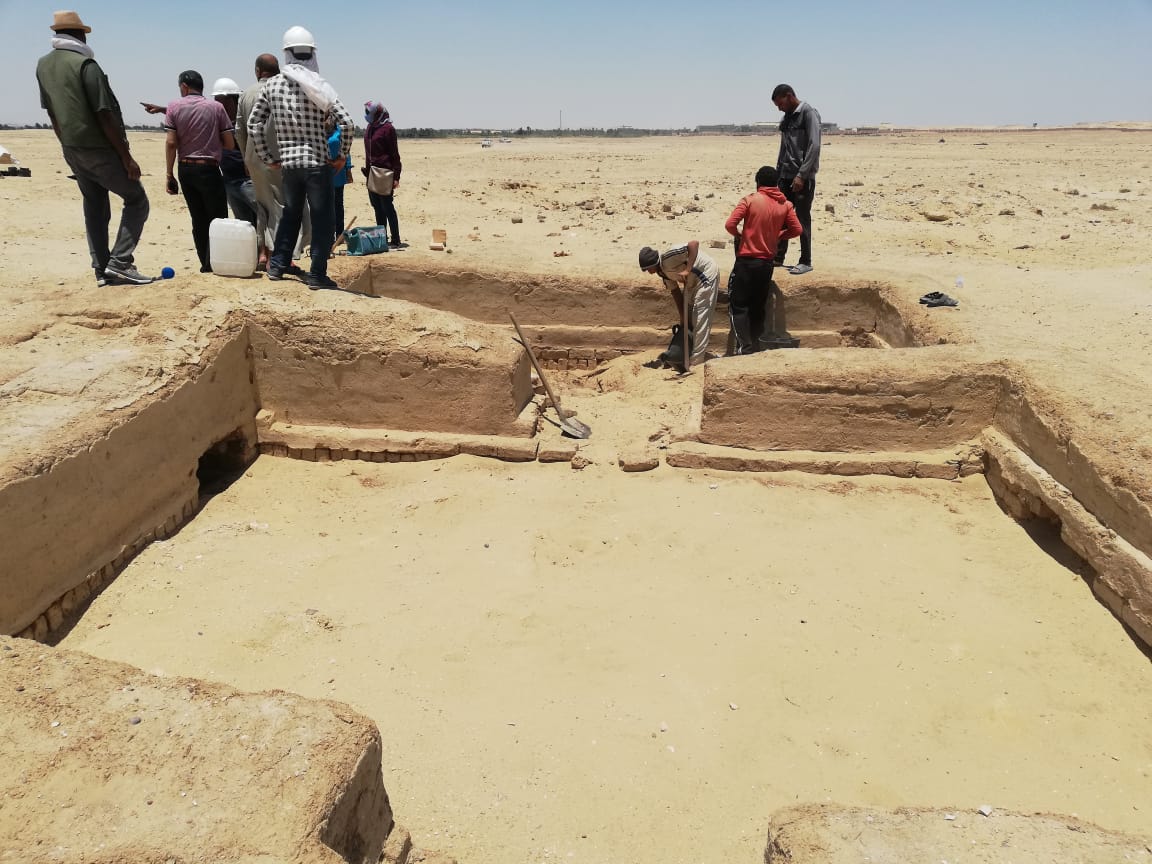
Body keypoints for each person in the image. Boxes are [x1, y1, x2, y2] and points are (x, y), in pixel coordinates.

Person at [35, 10, 154, 286]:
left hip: (71, 147)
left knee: (94, 204)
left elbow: (51, 112)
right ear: (79, 34)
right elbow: (104, 114)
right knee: (136, 199)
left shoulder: (43, 65)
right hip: (98, 148)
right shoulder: (86, 65)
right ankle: (120, 262)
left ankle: (101, 269)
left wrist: (66, 145)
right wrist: (126, 157)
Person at [248, 26, 355, 290]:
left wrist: (267, 156)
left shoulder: (272, 85)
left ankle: (277, 265)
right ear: (312, 54)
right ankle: (317, 274)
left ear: (286, 54)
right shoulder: (318, 86)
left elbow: (254, 124)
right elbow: (347, 123)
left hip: (289, 166)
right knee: (322, 220)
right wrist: (342, 156)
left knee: (290, 215)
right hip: (317, 165)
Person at [235, 53, 311, 270]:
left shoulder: (246, 94)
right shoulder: (283, 90)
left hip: (254, 158)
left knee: (263, 205)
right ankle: (282, 257)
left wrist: (246, 157)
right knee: (282, 206)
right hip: (278, 159)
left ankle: (263, 253)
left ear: (258, 71)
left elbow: (239, 130)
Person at [162, 70, 236, 273]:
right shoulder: (216, 108)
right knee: (217, 218)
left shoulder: (173, 107)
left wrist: (169, 174)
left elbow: (171, 143)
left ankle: (205, 263)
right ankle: (216, 261)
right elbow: (229, 144)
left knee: (198, 218)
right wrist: (212, 141)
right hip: (209, 168)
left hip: (185, 169)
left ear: (184, 87)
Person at [724, 166, 802, 353]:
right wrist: (780, 235)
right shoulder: (785, 205)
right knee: (757, 307)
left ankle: (745, 347)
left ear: (758, 182)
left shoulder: (750, 200)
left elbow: (730, 224)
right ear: (776, 184)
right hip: (767, 264)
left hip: (746, 261)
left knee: (738, 306)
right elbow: (797, 229)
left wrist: (740, 235)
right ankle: (755, 346)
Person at [638, 242, 719, 371]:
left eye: (648, 269)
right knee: (689, 320)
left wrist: (688, 269)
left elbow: (693, 245)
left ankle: (696, 361)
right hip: (692, 283)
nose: (648, 272)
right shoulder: (663, 274)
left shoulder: (668, 257)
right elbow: (675, 292)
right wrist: (682, 317)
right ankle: (686, 355)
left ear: (654, 263)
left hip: (705, 275)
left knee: (700, 318)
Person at [772, 84, 821, 275]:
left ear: (789, 96)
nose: (779, 108)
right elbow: (783, 148)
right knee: (782, 217)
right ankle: (778, 257)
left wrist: (802, 175)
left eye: (781, 104)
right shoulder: (787, 118)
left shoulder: (808, 113)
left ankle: (805, 260)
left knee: (801, 219)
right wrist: (778, 174)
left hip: (802, 178)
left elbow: (814, 146)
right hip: (785, 176)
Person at [211, 77, 258, 227]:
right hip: (230, 182)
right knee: (245, 227)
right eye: (217, 100)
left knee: (265, 220)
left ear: (233, 100)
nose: (219, 105)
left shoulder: (245, 121)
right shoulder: (219, 123)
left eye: (222, 100)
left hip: (248, 182)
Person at [363, 102, 402, 247]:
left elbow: (394, 154)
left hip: (385, 174)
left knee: (387, 207)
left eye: (369, 113)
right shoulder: (370, 127)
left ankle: (395, 239)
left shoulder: (388, 129)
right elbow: (368, 154)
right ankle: (381, 238)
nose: (367, 115)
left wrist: (396, 177)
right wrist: (367, 173)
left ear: (378, 113)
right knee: (377, 207)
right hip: (372, 174)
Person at [327, 124, 353, 245]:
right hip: (323, 174)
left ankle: (339, 234)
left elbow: (346, 152)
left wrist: (348, 169)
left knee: (338, 205)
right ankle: (328, 235)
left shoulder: (340, 131)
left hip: (338, 173)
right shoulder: (318, 130)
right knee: (326, 206)